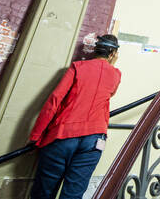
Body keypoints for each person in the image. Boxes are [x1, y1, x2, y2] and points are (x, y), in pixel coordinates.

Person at [28, 34, 122, 199]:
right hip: (94, 140)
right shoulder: (115, 75)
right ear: (113, 53)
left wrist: (36, 136)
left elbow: (54, 101)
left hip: (62, 137)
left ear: (95, 50)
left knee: (43, 193)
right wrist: (110, 64)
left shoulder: (77, 67)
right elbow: (110, 93)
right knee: (73, 195)